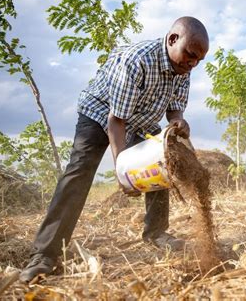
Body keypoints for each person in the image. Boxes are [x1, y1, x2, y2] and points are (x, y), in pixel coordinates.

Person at [19, 16, 209, 283]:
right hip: (100, 115)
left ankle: (156, 233)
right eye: (190, 55)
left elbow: (174, 106)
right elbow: (116, 120)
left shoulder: (183, 70)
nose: (192, 63)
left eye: (198, 60)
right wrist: (124, 172)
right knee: (79, 173)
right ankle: (44, 254)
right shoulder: (137, 60)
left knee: (167, 159)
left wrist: (178, 119)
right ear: (172, 39)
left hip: (140, 120)